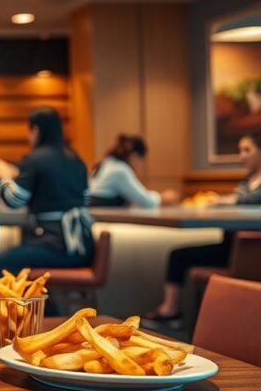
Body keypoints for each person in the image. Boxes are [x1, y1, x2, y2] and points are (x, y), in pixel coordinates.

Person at [146, 132, 261, 322]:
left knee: (179, 255)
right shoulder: (249, 179)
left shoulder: (252, 185)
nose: (242, 155)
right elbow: (240, 197)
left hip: (249, 253)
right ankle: (171, 309)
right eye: (240, 150)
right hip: (231, 247)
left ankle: (172, 310)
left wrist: (221, 201)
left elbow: (247, 200)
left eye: (247, 150)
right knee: (178, 255)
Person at [0, 107, 94, 271]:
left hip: (55, 247)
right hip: (83, 248)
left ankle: (12, 297)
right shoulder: (75, 159)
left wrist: (4, 176)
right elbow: (86, 199)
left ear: (36, 129)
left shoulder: (34, 158)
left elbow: (14, 200)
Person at [89, 134, 180, 208]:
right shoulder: (120, 170)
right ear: (135, 156)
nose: (141, 165)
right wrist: (163, 198)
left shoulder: (106, 163)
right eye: (141, 160)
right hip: (103, 216)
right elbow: (145, 201)